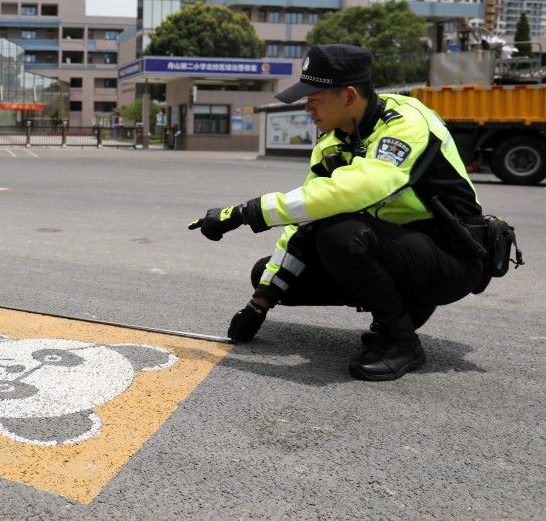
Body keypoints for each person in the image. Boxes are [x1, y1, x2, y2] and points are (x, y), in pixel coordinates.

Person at [189, 44, 486, 381]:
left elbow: (353, 189)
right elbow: (306, 216)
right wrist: (259, 304)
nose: (308, 109)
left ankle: (401, 341)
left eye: (314, 99)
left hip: (452, 258)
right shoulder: (332, 143)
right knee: (269, 274)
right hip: (397, 251)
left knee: (341, 234)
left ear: (347, 95)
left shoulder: (407, 123)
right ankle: (400, 306)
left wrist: (244, 214)